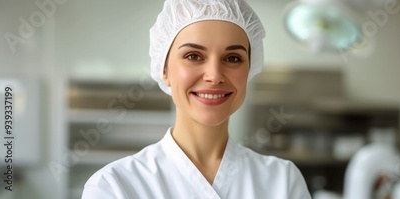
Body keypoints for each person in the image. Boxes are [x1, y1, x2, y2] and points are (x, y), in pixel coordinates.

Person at [82, 0, 311, 198]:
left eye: (232, 58)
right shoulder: (115, 186)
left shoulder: (283, 182)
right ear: (165, 70)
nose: (214, 76)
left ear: (249, 69)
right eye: (193, 56)